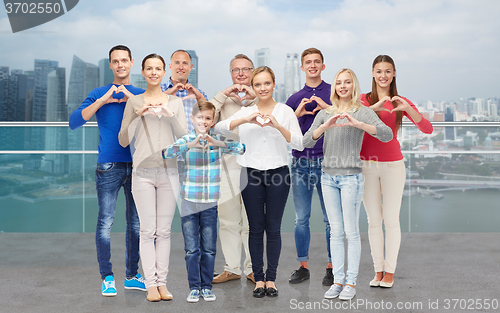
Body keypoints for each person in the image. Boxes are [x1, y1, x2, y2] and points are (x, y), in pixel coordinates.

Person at [303, 68, 392, 301]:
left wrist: (358, 124)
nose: (342, 86)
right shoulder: (326, 113)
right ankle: (338, 281)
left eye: (347, 82)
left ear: (353, 86)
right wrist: (325, 126)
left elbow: (386, 134)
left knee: (351, 232)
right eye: (339, 82)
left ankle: (351, 283)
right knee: (335, 231)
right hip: (328, 178)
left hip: (351, 178)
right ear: (334, 86)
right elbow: (305, 141)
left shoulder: (361, 112)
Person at [214, 66, 304, 298]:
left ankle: (271, 279)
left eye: (267, 83)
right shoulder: (246, 111)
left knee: (273, 229)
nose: (263, 88)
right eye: (258, 84)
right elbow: (219, 127)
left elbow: (299, 143)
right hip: (250, 173)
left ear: (274, 84)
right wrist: (246, 119)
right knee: (255, 229)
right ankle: (258, 279)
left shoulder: (285, 111)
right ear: (252, 88)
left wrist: (277, 125)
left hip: (278, 175)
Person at [69, 45, 146, 296]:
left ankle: (132, 276)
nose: (121, 64)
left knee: (135, 224)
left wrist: (131, 99)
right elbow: (74, 122)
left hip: (138, 165)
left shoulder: (140, 94)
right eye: (116, 61)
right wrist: (104, 100)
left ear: (132, 63)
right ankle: (107, 277)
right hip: (109, 166)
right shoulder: (98, 93)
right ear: (111, 65)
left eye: (125, 60)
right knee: (106, 223)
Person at [118, 53, 188, 301]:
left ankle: (162, 283)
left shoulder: (176, 103)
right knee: (148, 231)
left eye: (158, 68)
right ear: (144, 72)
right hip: (143, 174)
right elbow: (123, 139)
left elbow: (185, 141)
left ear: (163, 71)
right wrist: (139, 113)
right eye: (149, 68)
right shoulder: (134, 102)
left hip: (169, 172)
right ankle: (150, 285)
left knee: (165, 231)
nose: (154, 72)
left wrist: (170, 115)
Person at [360, 55, 433, 288]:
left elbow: (427, 129)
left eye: (387, 71)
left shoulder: (401, 101)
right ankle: (378, 270)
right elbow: (353, 120)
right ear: (372, 73)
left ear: (393, 74)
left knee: (391, 220)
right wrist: (375, 107)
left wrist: (408, 110)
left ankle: (389, 271)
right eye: (379, 71)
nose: (383, 75)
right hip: (366, 166)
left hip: (393, 164)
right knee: (373, 221)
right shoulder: (362, 99)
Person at [163, 101, 246, 303]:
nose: (203, 121)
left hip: (210, 203)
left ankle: (206, 287)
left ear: (213, 120)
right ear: (193, 119)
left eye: (208, 118)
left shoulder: (217, 140)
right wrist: (190, 145)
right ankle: (194, 287)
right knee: (192, 249)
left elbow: (241, 148)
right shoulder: (186, 140)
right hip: (189, 202)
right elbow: (167, 153)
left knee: (209, 248)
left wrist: (217, 143)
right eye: (200, 117)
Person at [285, 48, 333, 286]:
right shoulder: (294, 98)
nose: (312, 65)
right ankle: (303, 267)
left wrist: (327, 108)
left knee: (330, 219)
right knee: (301, 219)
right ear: (302, 67)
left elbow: (344, 121)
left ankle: (332, 267)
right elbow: (284, 132)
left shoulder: (334, 92)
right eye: (308, 62)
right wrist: (297, 113)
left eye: (317, 62)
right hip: (301, 164)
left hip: (327, 162)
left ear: (323, 66)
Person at [211, 54, 257, 284]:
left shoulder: (260, 97)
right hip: (227, 167)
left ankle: (252, 268)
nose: (240, 73)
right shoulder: (223, 100)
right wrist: (223, 95)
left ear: (252, 71)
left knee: (251, 222)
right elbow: (207, 119)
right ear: (231, 74)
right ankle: (232, 268)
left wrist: (255, 97)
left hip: (254, 168)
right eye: (236, 70)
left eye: (245, 69)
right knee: (228, 220)